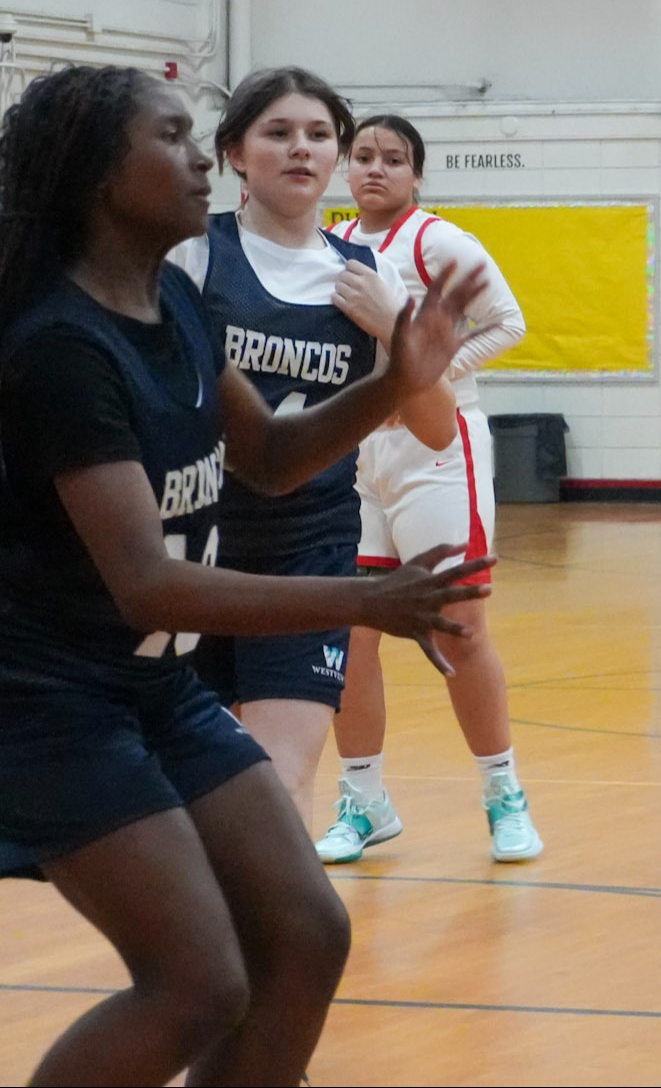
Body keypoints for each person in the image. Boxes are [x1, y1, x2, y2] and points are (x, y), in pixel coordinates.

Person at [0, 64, 491, 1084]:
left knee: (308, 933)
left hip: (154, 686)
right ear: (99, 176)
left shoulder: (170, 299)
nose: (197, 159)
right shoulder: (57, 345)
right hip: (49, 702)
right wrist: (366, 597)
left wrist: (398, 381)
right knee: (196, 982)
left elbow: (266, 455)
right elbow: (144, 581)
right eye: (172, 138)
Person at [167, 68, 457, 810]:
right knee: (193, 788)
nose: (302, 149)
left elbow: (434, 428)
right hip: (194, 544)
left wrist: (396, 327)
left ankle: (267, 922)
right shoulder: (192, 256)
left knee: (277, 783)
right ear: (235, 151)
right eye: (279, 132)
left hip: (308, 546)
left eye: (320, 135)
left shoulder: (368, 272)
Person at [320, 113, 540, 864]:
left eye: (394, 158)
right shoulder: (332, 243)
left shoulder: (437, 241)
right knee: (350, 638)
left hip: (436, 449)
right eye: (363, 156)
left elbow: (508, 322)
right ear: (347, 169)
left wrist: (437, 372)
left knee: (460, 630)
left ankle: (503, 792)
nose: (376, 168)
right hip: (354, 450)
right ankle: (363, 799)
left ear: (417, 175)